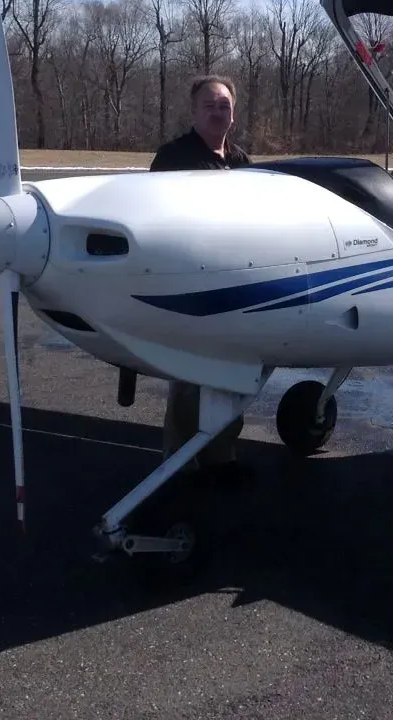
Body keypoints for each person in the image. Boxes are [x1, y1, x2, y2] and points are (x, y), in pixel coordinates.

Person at [149, 75, 252, 484]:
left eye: (224, 105)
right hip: (190, 286)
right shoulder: (173, 157)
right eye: (209, 105)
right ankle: (180, 464)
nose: (217, 111)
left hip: (238, 284)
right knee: (191, 379)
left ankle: (221, 457)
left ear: (234, 113)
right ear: (193, 112)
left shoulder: (242, 162)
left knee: (235, 374)